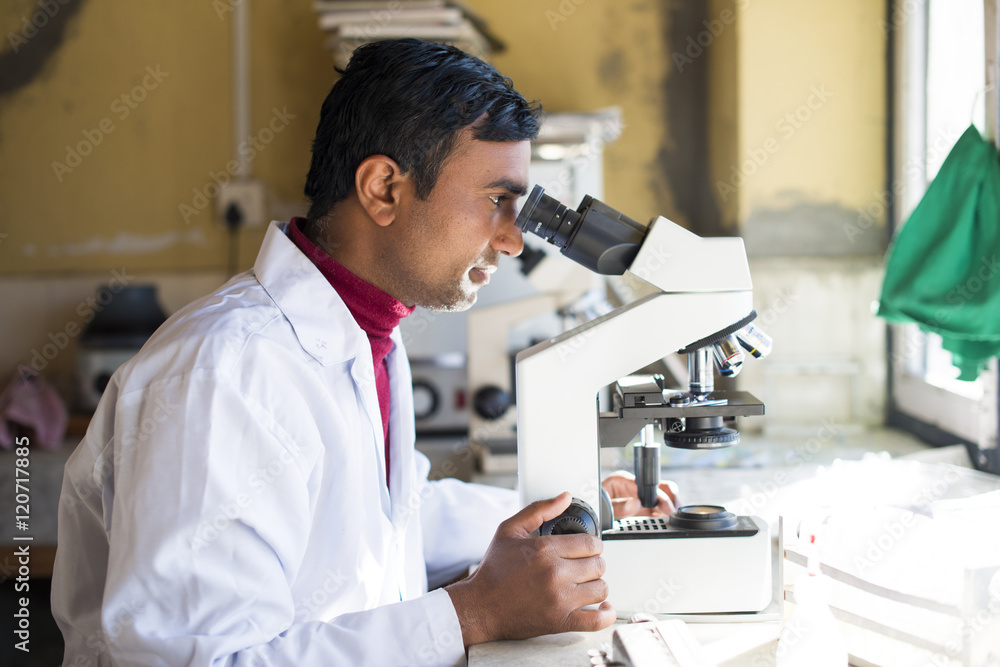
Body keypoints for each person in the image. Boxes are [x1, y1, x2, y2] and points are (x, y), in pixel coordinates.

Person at [52, 38, 678, 665]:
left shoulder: (365, 339)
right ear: (383, 188)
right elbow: (202, 660)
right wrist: (473, 613)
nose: (514, 241)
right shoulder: (224, 375)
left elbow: (389, 519)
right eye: (496, 200)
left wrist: (570, 512)